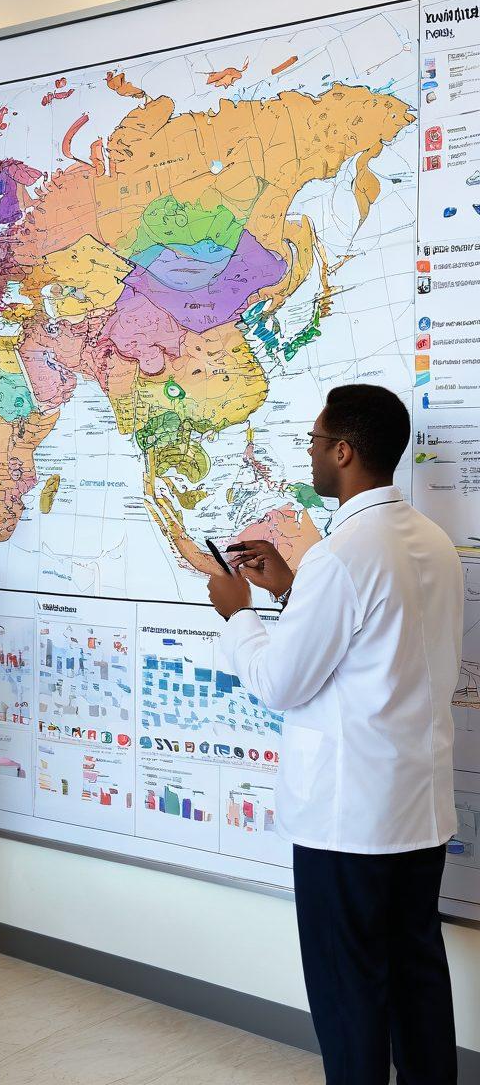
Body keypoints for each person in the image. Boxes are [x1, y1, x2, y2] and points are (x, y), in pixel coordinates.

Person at [206, 384, 463, 1085]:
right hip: (419, 814)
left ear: (344, 452)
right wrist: (291, 588)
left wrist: (238, 614)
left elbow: (282, 683)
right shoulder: (434, 544)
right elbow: (378, 645)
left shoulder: (343, 553)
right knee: (417, 985)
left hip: (348, 825)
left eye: (316, 443)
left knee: (350, 1001)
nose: (313, 455)